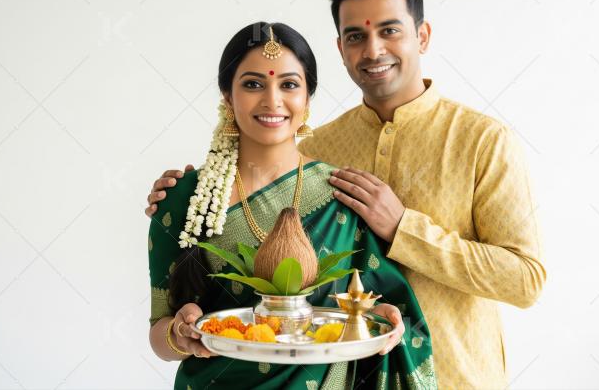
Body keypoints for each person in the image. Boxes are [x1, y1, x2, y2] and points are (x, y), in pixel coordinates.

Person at [146, 0, 545, 389]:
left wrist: (403, 229)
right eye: (356, 36)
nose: (373, 50)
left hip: (459, 374)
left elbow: (525, 280)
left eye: (390, 30)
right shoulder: (320, 149)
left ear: (423, 35)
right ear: (340, 48)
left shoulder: (482, 141)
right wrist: (188, 196)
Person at [147, 21, 437, 389]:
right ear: (227, 97)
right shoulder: (187, 199)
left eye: (289, 85)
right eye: (253, 84)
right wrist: (179, 333)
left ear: (307, 99)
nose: (272, 101)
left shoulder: (343, 195)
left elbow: (381, 306)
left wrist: (384, 319)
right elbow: (159, 332)